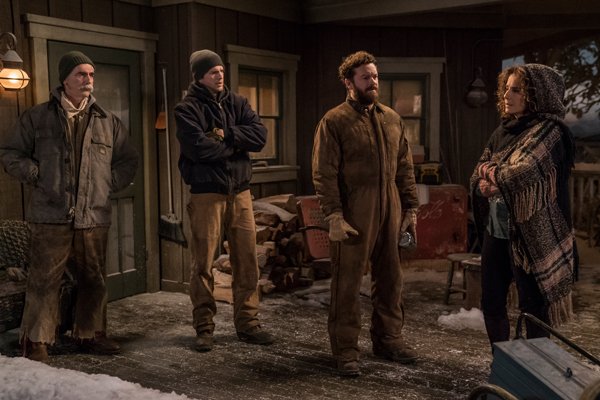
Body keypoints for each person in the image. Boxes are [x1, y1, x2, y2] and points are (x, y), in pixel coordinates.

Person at [0, 51, 139, 362]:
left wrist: (106, 184)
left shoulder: (107, 121)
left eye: (91, 74)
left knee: (93, 278)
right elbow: (10, 153)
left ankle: (90, 334)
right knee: (44, 280)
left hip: (94, 215)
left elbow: (128, 160)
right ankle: (37, 341)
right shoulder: (38, 117)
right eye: (81, 74)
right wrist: (37, 175)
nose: (88, 80)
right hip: (50, 215)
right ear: (65, 80)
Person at [312, 50, 420, 377]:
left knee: (391, 279)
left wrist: (410, 208)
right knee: (347, 283)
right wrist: (334, 215)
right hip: (355, 210)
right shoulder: (335, 121)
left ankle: (389, 340)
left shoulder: (392, 119)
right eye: (365, 77)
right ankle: (346, 350)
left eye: (374, 76)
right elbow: (324, 173)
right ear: (348, 82)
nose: (373, 82)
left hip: (391, 206)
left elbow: (405, 167)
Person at [470, 63, 576, 351]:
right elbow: (478, 171)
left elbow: (523, 172)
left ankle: (536, 365)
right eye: (506, 89)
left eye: (516, 90)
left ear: (537, 94)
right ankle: (502, 362)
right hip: (497, 229)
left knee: (533, 305)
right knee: (491, 300)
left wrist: (492, 175)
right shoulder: (502, 131)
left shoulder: (551, 132)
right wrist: (491, 179)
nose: (507, 95)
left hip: (532, 233)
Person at [174, 49, 274, 352]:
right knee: (203, 264)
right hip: (207, 194)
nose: (219, 76)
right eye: (212, 72)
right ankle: (204, 327)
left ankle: (248, 323)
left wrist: (223, 134)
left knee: (247, 262)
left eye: (220, 70)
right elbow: (199, 149)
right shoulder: (186, 109)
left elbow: (260, 137)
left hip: (240, 193)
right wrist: (237, 144)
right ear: (199, 77)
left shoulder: (238, 103)